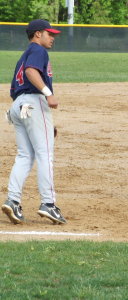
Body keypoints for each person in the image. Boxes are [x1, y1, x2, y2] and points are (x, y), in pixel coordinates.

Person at [1, 19, 66, 225]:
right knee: (45, 154)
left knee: (25, 155)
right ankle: (48, 204)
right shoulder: (38, 51)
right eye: (49, 33)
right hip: (34, 102)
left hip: (18, 107)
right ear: (38, 34)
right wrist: (48, 94)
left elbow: (18, 86)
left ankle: (12, 200)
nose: (53, 37)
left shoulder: (24, 55)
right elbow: (31, 72)